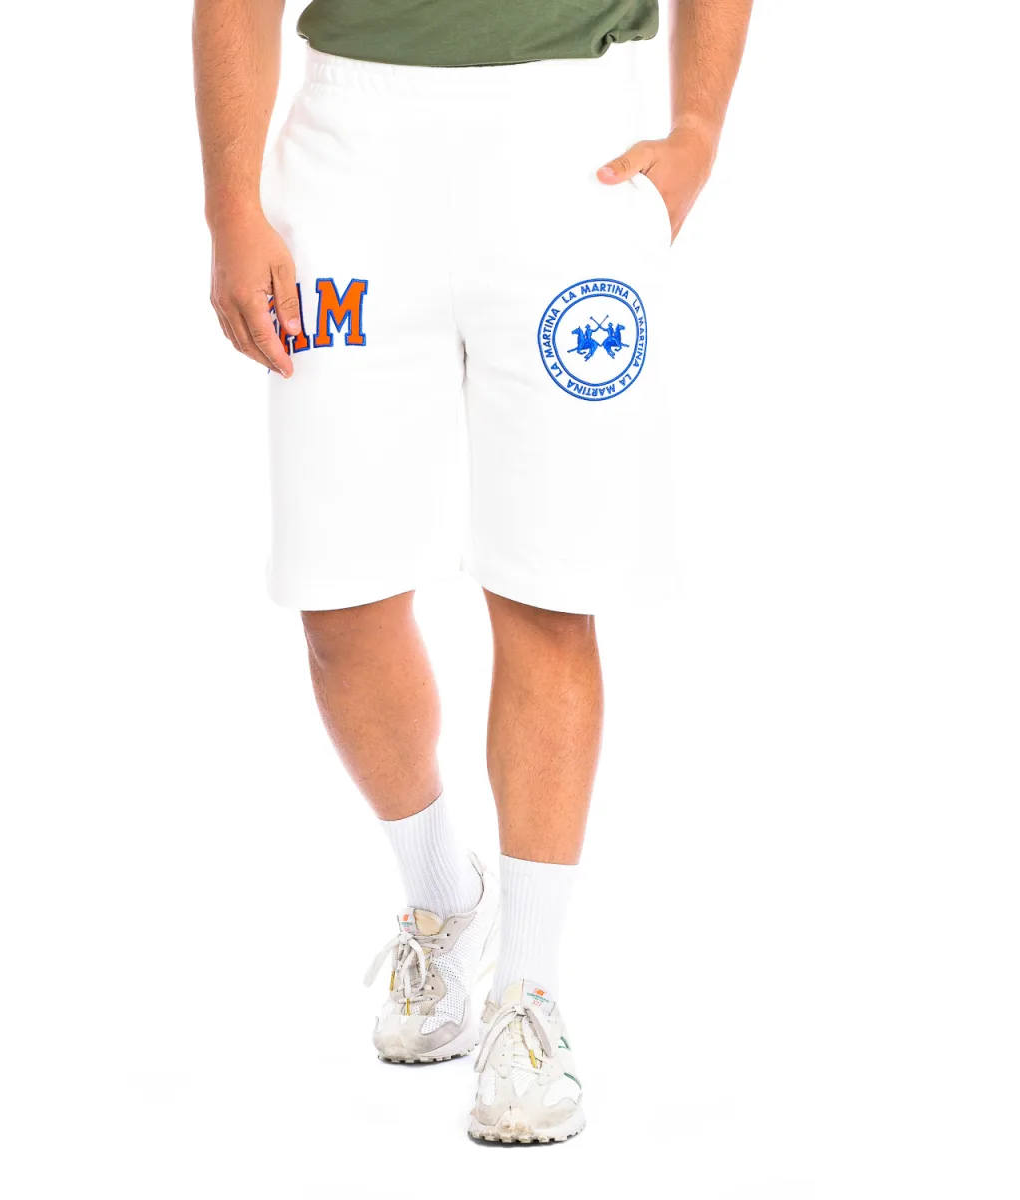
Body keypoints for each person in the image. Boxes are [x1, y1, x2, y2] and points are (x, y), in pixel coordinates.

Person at [193, 0, 751, 1144]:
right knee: (339, 596)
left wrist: (697, 127)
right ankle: (442, 896)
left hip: (567, 155)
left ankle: (528, 995)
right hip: (352, 164)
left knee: (550, 586)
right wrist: (229, 206)